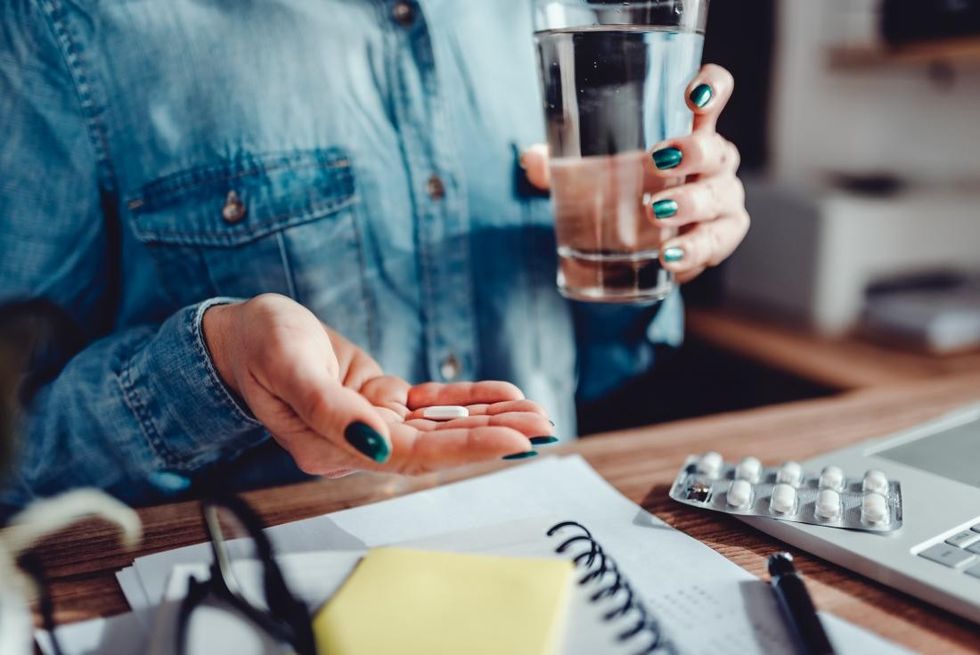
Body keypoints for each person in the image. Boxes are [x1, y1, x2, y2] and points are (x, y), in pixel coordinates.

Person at [0, 0, 748, 512]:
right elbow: (15, 444)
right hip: (257, 603)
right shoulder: (72, 23)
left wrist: (652, 243)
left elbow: (607, 362)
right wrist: (214, 369)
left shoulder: (550, 15)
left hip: (550, 555)